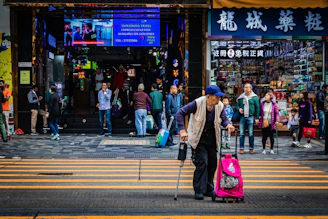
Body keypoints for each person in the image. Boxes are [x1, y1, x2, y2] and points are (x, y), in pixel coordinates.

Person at [176, 85, 234, 200]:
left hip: (212, 137)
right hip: (199, 138)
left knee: (212, 163)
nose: (218, 100)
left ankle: (209, 189)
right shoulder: (197, 103)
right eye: (216, 97)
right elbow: (180, 113)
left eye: (219, 97)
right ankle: (199, 190)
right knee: (202, 162)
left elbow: (224, 119)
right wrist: (182, 130)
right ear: (208, 96)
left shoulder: (220, 106)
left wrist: (228, 124)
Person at [235, 83, 260, 154]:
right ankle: (241, 148)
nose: (246, 89)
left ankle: (251, 148)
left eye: (248, 87)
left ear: (251, 88)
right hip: (242, 117)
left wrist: (257, 118)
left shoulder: (254, 97)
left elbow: (257, 108)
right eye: (245, 87)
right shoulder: (241, 97)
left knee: (250, 134)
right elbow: (236, 105)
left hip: (250, 117)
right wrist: (239, 108)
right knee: (241, 134)